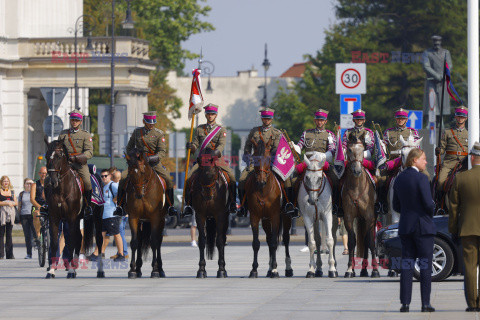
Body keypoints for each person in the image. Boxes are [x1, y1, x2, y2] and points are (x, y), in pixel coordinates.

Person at [392, 148, 436, 313]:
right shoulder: (421, 178)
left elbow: (395, 205)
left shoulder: (399, 179)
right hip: (423, 228)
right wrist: (431, 210)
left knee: (407, 265)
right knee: (425, 266)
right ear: (414, 160)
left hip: (405, 226)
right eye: (423, 159)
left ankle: (405, 303)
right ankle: (425, 303)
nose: (425, 162)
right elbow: (428, 203)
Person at [117, 111, 177, 216]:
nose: (151, 125)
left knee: (168, 178)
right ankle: (120, 206)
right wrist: (133, 157)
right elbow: (129, 147)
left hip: (153, 163)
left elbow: (162, 151)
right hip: (139, 163)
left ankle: (170, 206)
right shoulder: (137, 132)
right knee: (123, 177)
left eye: (153, 123)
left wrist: (152, 158)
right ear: (144, 121)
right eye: (149, 123)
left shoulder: (159, 133)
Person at [237, 107, 293, 216]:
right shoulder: (254, 131)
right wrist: (248, 156)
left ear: (271, 119)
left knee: (287, 180)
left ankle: (288, 204)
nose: (266, 120)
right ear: (262, 118)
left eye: (268, 118)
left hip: (271, 162)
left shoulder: (276, 133)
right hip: (256, 162)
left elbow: (277, 149)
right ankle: (243, 206)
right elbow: (247, 147)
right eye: (264, 118)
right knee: (242, 178)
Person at [184, 103, 237, 216]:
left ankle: (232, 202)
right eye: (208, 114)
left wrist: (214, 154)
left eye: (212, 114)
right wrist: (191, 147)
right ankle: (188, 204)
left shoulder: (221, 129)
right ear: (205, 115)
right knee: (189, 178)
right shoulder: (199, 129)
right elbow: (196, 144)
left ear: (216, 115)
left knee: (231, 176)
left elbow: (221, 145)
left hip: (216, 158)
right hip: (202, 159)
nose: (210, 116)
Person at [449, 141, 480, 312]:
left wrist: (453, 229)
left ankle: (472, 304)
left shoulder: (461, 178)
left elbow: (453, 207)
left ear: (473, 157)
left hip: (468, 228)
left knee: (469, 267)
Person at [289, 108, 338, 217]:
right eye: (317, 120)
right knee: (292, 177)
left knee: (336, 178)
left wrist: (321, 156)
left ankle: (336, 205)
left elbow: (332, 150)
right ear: (314, 121)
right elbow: (300, 147)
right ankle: (293, 206)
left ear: (325, 121)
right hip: (308, 163)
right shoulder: (306, 133)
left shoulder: (329, 135)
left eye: (322, 120)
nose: (319, 122)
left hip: (322, 162)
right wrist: (293, 146)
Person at [57, 111, 94, 216]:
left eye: (76, 120)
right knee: (50, 179)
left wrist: (77, 157)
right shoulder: (63, 133)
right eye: (73, 120)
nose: (74, 122)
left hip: (79, 164)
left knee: (87, 182)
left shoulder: (85, 135)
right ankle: (48, 205)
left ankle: (88, 206)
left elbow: (89, 152)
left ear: (80, 122)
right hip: (65, 163)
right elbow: (58, 148)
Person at [435, 106, 468, 194]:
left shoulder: (469, 134)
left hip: (464, 163)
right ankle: (439, 205)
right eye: (459, 116)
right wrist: (438, 151)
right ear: (455, 117)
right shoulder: (447, 132)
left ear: (466, 118)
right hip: (449, 163)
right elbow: (442, 149)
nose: (460, 119)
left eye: (462, 117)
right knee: (440, 182)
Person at [100, 169, 124, 262]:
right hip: (104, 215)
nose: (104, 178)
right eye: (102, 176)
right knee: (102, 234)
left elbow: (121, 193)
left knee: (116, 234)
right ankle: (100, 253)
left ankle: (121, 254)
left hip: (112, 214)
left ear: (110, 176)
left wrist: (115, 199)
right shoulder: (104, 186)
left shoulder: (112, 185)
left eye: (105, 176)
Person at [18, 178, 39, 259]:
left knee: (35, 233)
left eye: (31, 183)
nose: (29, 185)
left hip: (33, 216)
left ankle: (40, 248)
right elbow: (20, 206)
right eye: (27, 183)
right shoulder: (21, 194)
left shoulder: (34, 193)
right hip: (24, 216)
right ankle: (29, 254)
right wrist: (19, 217)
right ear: (24, 185)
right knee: (27, 236)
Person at [0, 176, 18, 259]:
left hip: (10, 215)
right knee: (1, 234)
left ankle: (10, 254)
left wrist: (11, 203)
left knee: (9, 234)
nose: (6, 183)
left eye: (7, 181)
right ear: (1, 182)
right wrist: (7, 203)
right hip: (1, 215)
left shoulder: (12, 192)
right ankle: (1, 254)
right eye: (4, 181)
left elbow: (16, 203)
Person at [30, 166, 47, 239]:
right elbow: (32, 199)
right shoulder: (35, 185)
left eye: (45, 173)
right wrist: (39, 207)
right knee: (36, 214)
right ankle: (38, 234)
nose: (44, 175)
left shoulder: (50, 185)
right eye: (42, 173)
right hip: (37, 206)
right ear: (39, 174)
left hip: (48, 206)